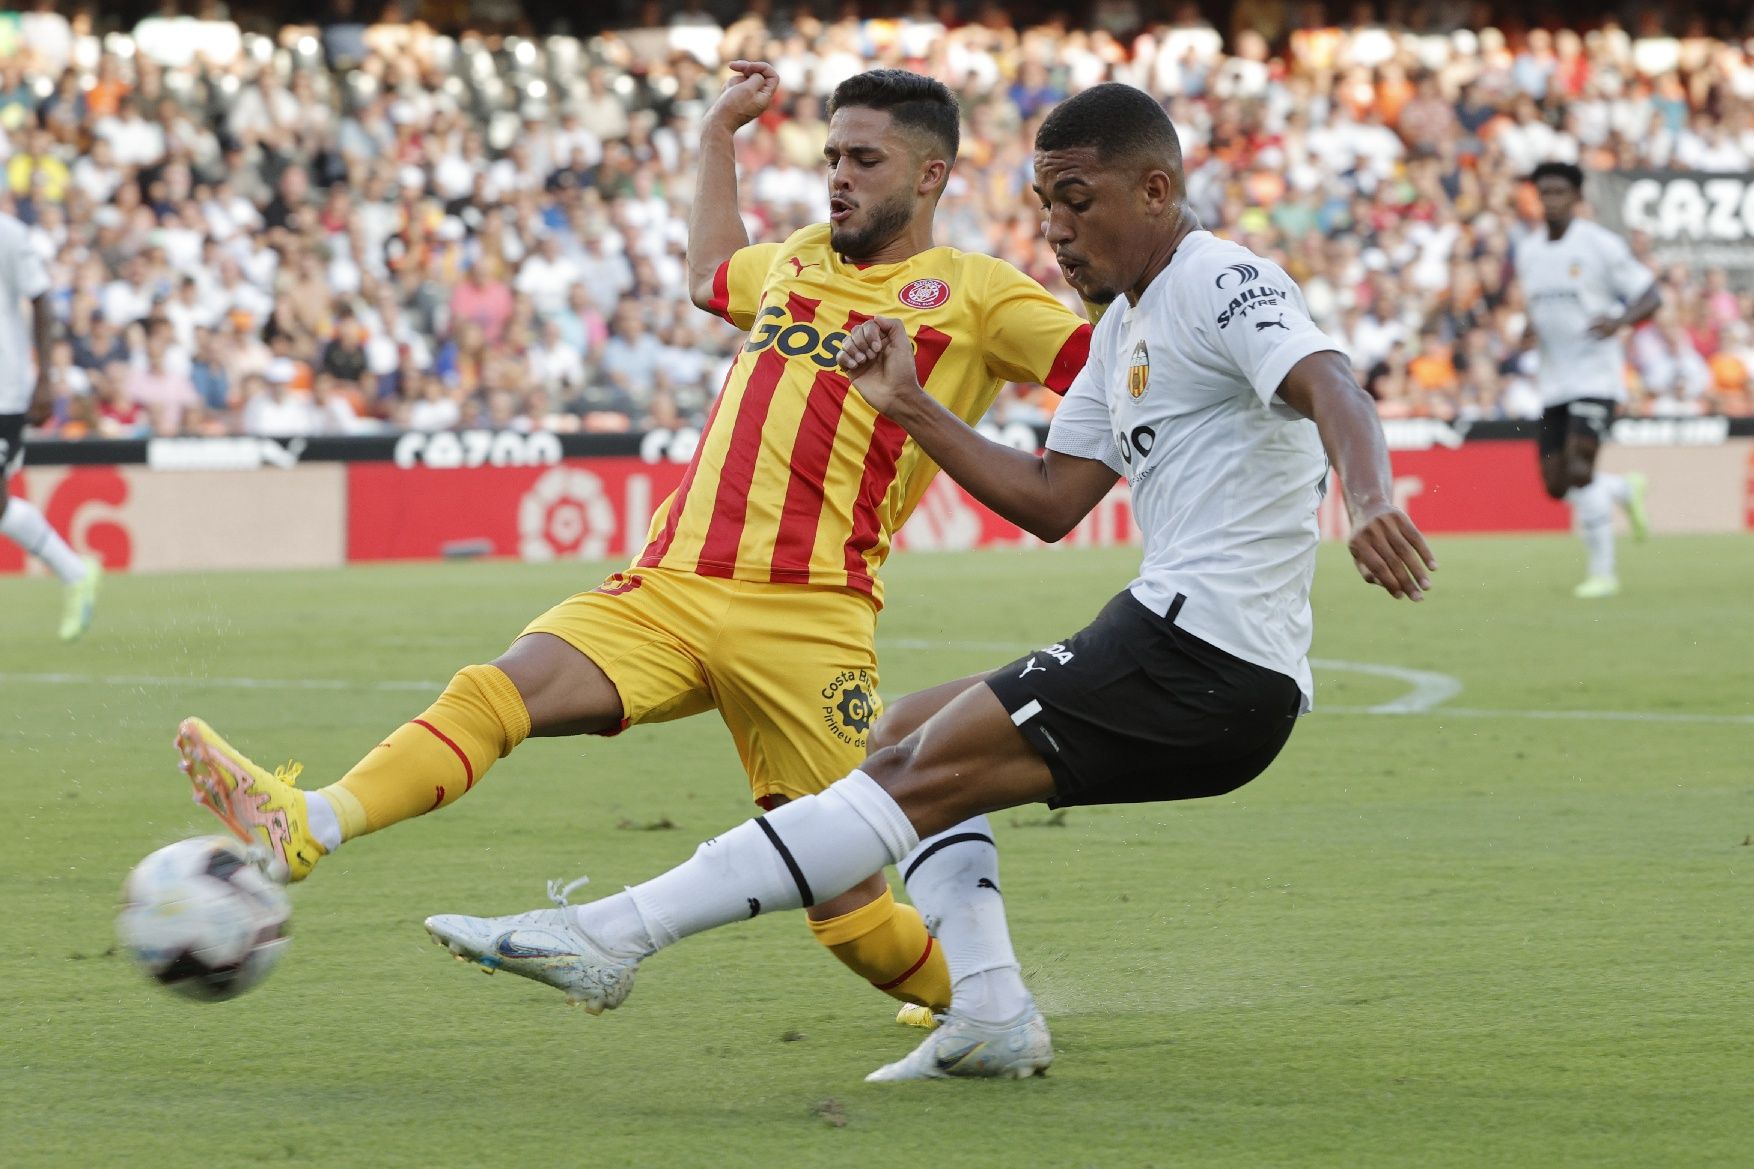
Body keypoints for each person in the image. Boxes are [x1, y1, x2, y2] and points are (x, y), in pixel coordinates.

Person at [421, 83, 1437, 1082]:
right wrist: (906, 404)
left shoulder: (1218, 277)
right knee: (900, 736)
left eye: (1078, 201)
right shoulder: (1122, 332)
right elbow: (1047, 498)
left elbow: (1329, 380)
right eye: (1044, 205)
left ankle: (607, 933)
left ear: (1156, 191)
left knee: (894, 782)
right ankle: (989, 1008)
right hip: (1189, 658)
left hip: (1199, 652)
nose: (1057, 231)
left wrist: (1369, 496)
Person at [177, 65, 1093, 1026]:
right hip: (672, 585)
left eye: (865, 160)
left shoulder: (981, 295)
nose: (839, 177)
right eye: (831, 156)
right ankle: (312, 823)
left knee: (851, 914)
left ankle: (979, 1005)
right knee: (498, 688)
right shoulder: (794, 260)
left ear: (933, 175)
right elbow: (708, 274)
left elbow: (1102, 376)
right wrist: (713, 134)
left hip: (812, 613)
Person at [1514, 161, 1658, 599]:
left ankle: (1603, 573)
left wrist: (1620, 321)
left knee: (1580, 469)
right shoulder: (1530, 251)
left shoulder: (1600, 245)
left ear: (1576, 197)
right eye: (1545, 193)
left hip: (1596, 375)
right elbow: (1543, 310)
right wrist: (1529, 331)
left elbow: (1651, 294)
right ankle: (1621, 488)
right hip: (1554, 379)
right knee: (1555, 484)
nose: (1551, 200)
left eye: (1560, 192)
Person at [0, 210, 99, 639]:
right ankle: (76, 573)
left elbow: (40, 300)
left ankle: (75, 573)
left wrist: (45, 377)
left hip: (5, 389)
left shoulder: (7, 233)